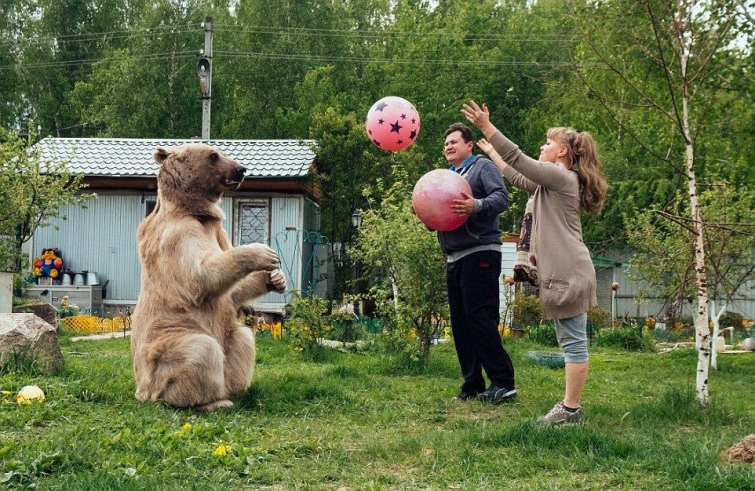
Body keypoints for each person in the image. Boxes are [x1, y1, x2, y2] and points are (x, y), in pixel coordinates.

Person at [463, 101, 608, 424]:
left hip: (569, 270)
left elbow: (520, 160)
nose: (543, 146)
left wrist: (488, 127)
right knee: (570, 339)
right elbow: (518, 175)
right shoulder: (552, 183)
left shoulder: (560, 176)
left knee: (573, 342)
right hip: (569, 268)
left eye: (548, 143)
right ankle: (570, 407)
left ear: (562, 153)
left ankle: (570, 409)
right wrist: (493, 153)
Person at [440, 122, 517, 403]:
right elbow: (443, 216)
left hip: (481, 251)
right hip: (454, 255)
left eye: (454, 142)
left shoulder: (481, 167)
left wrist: (476, 205)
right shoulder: (447, 177)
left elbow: (501, 198)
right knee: (460, 321)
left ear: (469, 145)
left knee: (480, 315)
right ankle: (472, 382)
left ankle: (503, 382)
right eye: (446, 143)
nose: (448, 146)